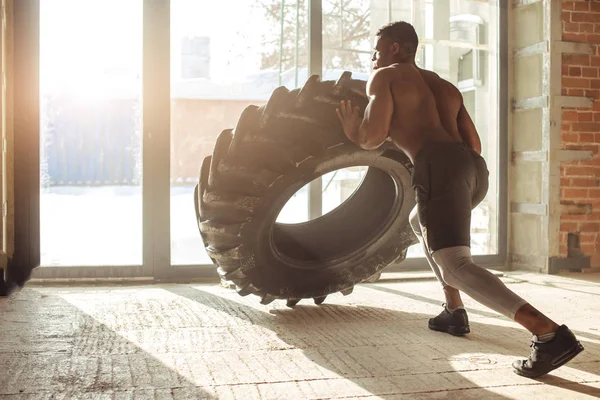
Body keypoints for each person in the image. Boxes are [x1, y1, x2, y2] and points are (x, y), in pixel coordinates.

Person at [335, 20, 584, 378]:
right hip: (471, 169)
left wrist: (352, 128)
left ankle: (547, 333)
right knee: (417, 220)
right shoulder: (444, 85)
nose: (372, 61)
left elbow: (371, 137)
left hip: (440, 167)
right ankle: (453, 311)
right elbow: (475, 145)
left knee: (455, 264)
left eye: (375, 53)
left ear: (393, 49)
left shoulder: (386, 76)